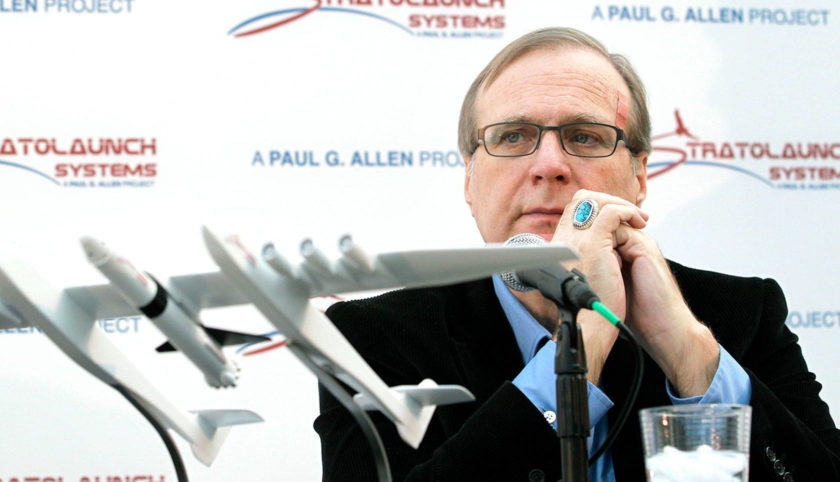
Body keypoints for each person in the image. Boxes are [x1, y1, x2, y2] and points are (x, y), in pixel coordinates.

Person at [314, 27, 840, 481]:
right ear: (470, 180)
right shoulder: (373, 338)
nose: (549, 165)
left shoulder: (740, 313)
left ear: (639, 177)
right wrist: (584, 340)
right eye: (513, 136)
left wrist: (688, 352)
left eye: (585, 137)